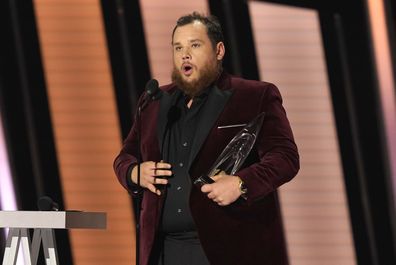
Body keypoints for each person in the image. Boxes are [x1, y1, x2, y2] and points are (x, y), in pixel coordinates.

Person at [114, 12, 299, 265]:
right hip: (163, 250)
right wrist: (135, 172)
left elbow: (285, 157)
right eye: (178, 48)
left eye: (194, 45)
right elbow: (125, 157)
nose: (184, 55)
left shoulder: (254, 96)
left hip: (226, 248)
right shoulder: (154, 101)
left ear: (219, 50)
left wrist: (240, 184)